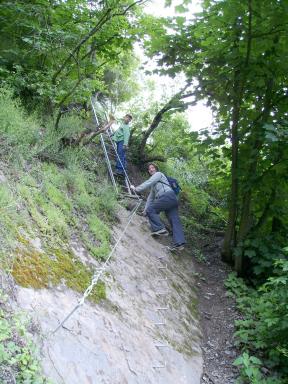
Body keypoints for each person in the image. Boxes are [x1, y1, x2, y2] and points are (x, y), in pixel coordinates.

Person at [130, 163, 186, 251]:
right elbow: (150, 198)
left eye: (152, 168)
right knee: (174, 221)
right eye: (149, 169)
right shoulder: (154, 185)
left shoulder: (159, 174)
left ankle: (159, 228)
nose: (151, 170)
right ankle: (179, 243)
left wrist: (136, 189)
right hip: (172, 199)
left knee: (151, 210)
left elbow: (149, 182)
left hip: (167, 196)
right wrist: (145, 211)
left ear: (156, 169)